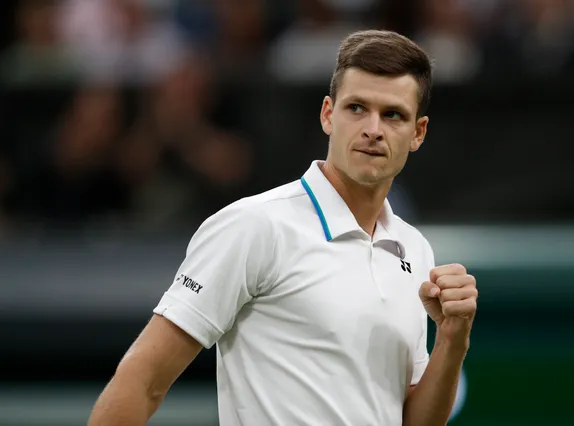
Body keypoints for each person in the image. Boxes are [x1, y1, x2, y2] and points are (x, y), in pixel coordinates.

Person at [87, 29, 478, 426]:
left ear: (418, 133)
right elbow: (142, 381)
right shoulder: (254, 226)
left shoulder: (415, 250)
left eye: (392, 114)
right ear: (328, 114)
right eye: (357, 108)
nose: (373, 129)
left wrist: (452, 337)